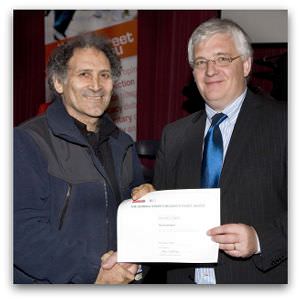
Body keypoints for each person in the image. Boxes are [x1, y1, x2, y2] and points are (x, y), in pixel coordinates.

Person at [132, 18, 287, 284]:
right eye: (201, 62)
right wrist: (149, 206)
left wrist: (260, 239)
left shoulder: (286, 123)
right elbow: (165, 222)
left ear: (246, 64)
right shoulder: (174, 135)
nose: (210, 70)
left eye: (222, 59)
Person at [14, 34, 145, 284]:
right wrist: (93, 271)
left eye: (104, 75)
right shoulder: (26, 141)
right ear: (59, 83)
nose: (96, 85)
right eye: (84, 74)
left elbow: (134, 221)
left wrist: (149, 200)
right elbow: (19, 231)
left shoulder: (123, 144)